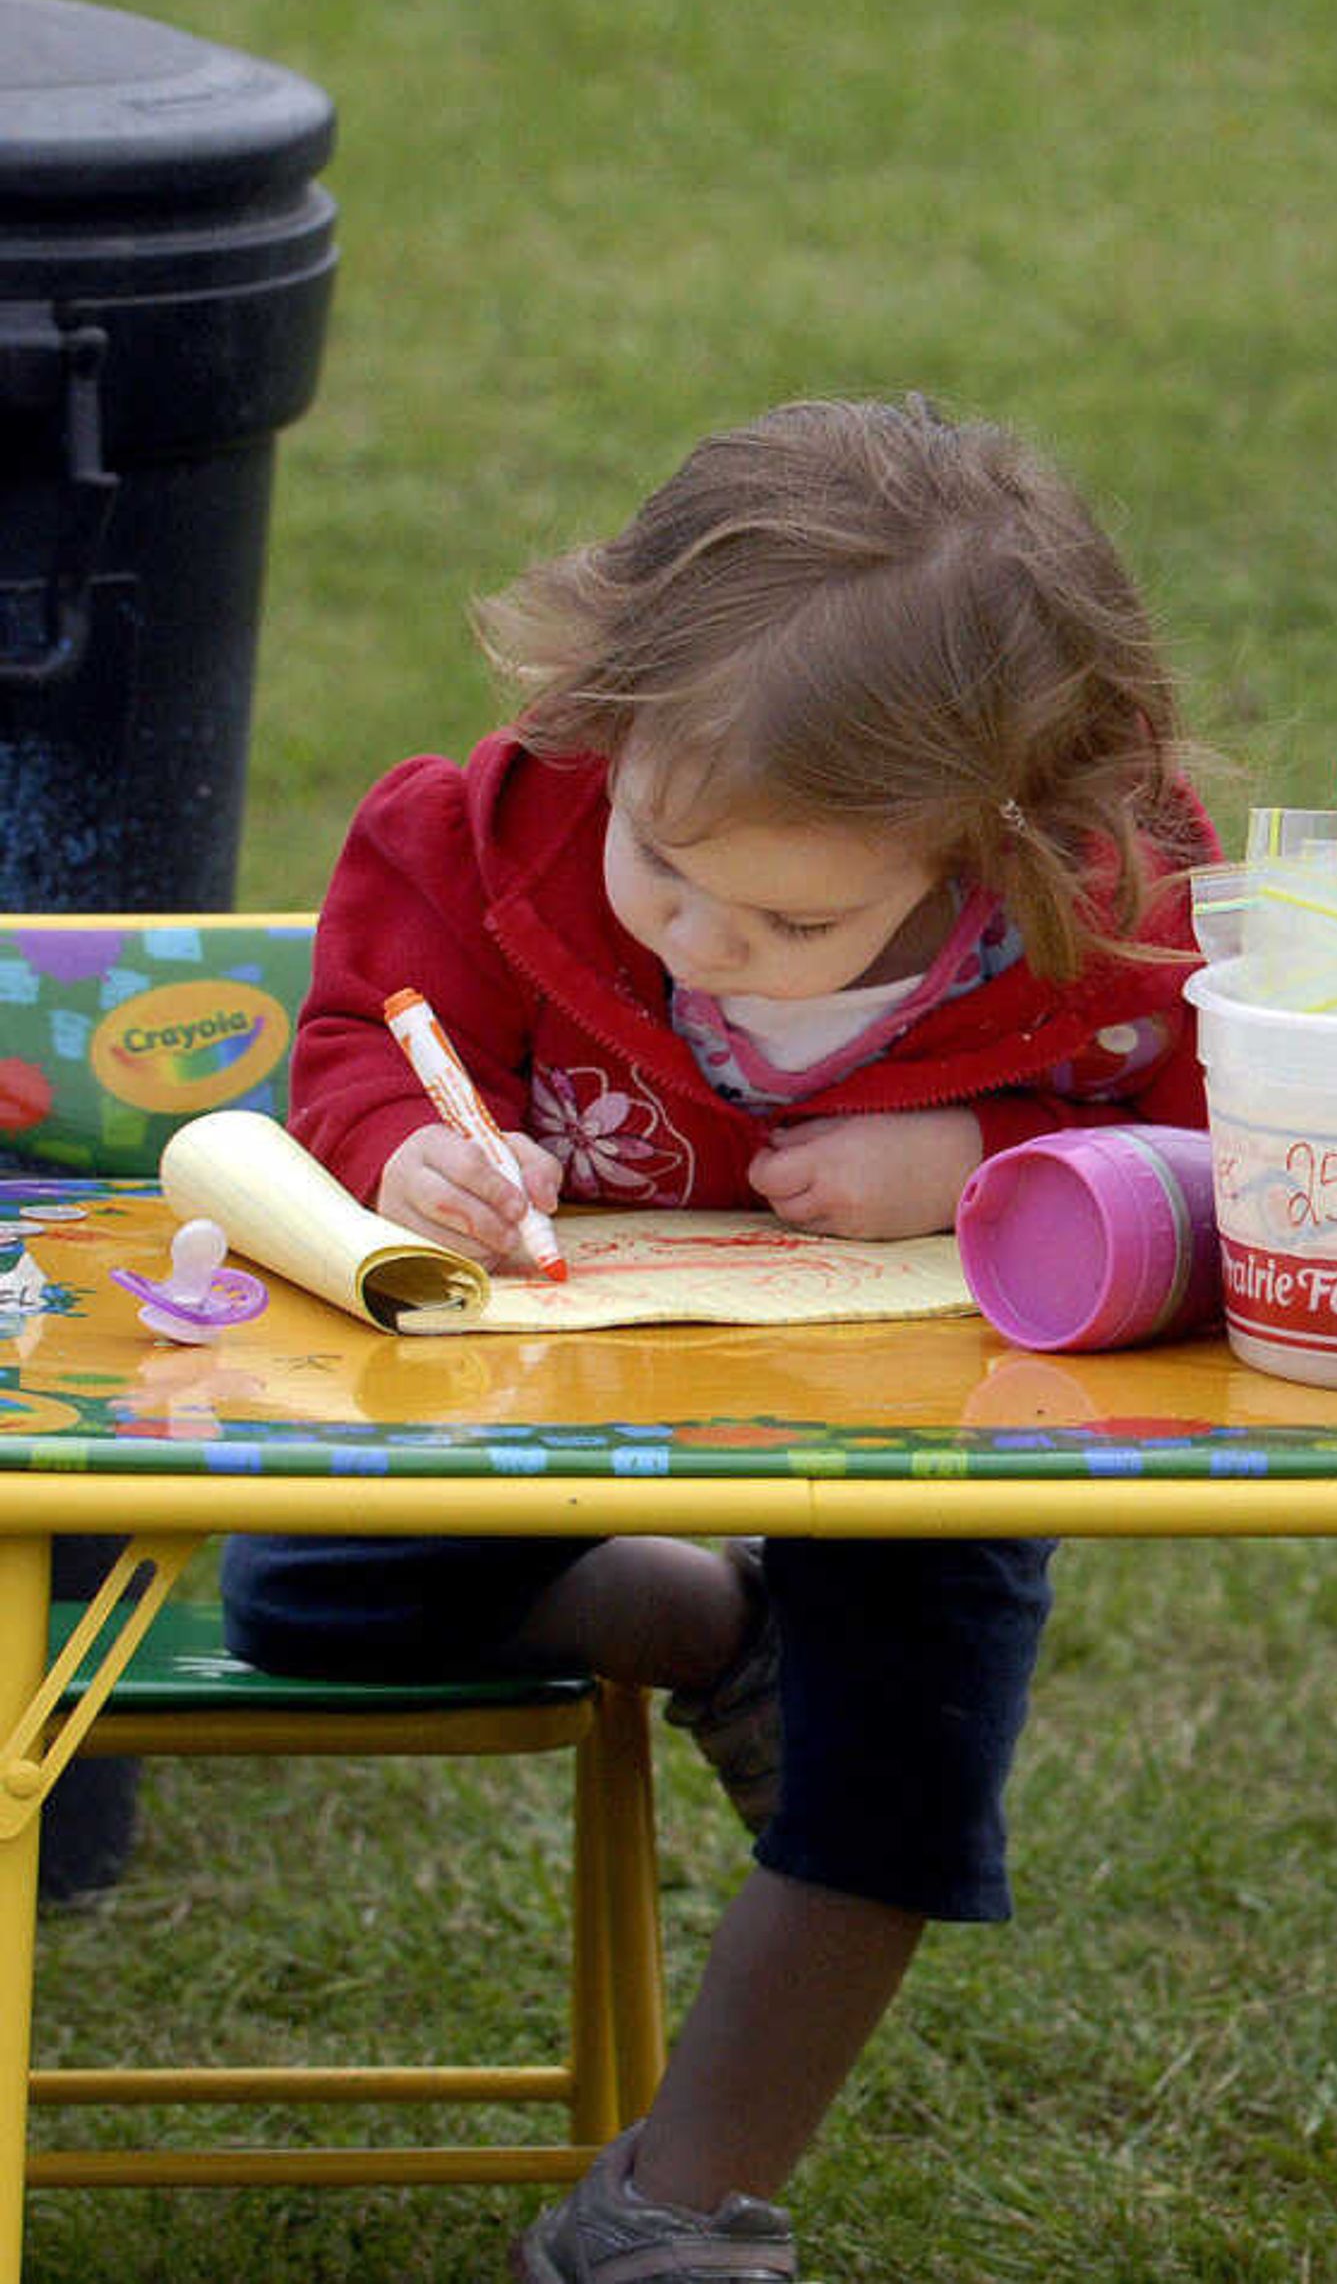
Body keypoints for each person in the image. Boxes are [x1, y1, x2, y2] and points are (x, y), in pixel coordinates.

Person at [219, 396, 1217, 2282]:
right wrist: (408, 1143)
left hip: (933, 1420)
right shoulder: (489, 833)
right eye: (664, 863)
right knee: (310, 1592)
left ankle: (680, 2199)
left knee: (902, 1769)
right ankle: (715, 1623)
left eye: (790, 914)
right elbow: (359, 1035)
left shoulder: (1103, 928)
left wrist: (986, 1154)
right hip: (547, 1390)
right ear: (615, 708)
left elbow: (1214, 1147)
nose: (703, 938)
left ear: (990, 840)